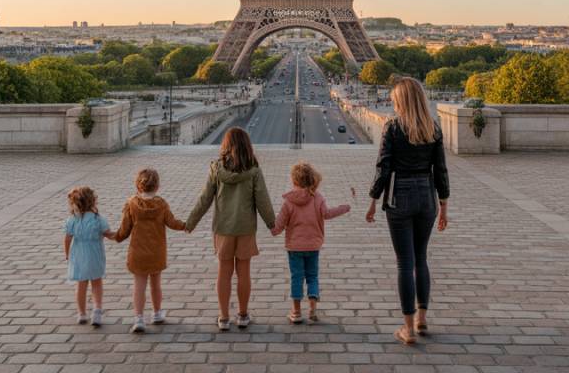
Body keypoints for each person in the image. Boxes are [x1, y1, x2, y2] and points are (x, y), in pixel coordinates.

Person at [365, 78, 449, 345]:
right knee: (421, 258)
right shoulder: (432, 128)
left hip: (399, 194)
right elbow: (441, 170)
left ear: (400, 100)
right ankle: (423, 318)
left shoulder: (392, 127)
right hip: (427, 195)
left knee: (405, 263)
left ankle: (408, 329)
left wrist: (373, 199)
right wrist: (444, 205)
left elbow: (383, 167)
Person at [186, 127, 275, 331]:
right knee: (244, 272)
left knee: (224, 272)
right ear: (247, 146)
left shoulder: (216, 169)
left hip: (223, 228)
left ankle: (224, 316)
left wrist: (190, 222)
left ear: (225, 146)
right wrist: (272, 223)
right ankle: (243, 315)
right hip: (245, 228)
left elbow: (205, 199)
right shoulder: (254, 170)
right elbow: (263, 200)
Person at [270, 161, 350, 324]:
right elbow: (327, 214)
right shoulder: (318, 198)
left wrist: (271, 227)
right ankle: (312, 308)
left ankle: (296, 312)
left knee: (296, 277)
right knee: (312, 276)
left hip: (294, 247)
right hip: (313, 246)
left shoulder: (289, 202)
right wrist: (344, 208)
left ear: (294, 181)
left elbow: (278, 226)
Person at [114, 168, 187, 333]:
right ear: (157, 187)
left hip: (137, 253)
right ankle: (156, 313)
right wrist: (185, 225)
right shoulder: (161, 204)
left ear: (138, 186)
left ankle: (139, 318)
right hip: (157, 252)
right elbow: (172, 222)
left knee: (139, 286)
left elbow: (124, 230)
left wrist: (115, 236)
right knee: (156, 285)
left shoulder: (131, 204)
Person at [63, 185, 114, 327]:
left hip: (78, 256)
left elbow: (67, 239)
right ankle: (97, 311)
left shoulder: (72, 219)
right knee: (97, 283)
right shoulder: (98, 219)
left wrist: (68, 255)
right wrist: (120, 235)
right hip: (95, 255)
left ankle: (81, 314)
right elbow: (108, 234)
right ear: (93, 201)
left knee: (81, 285)